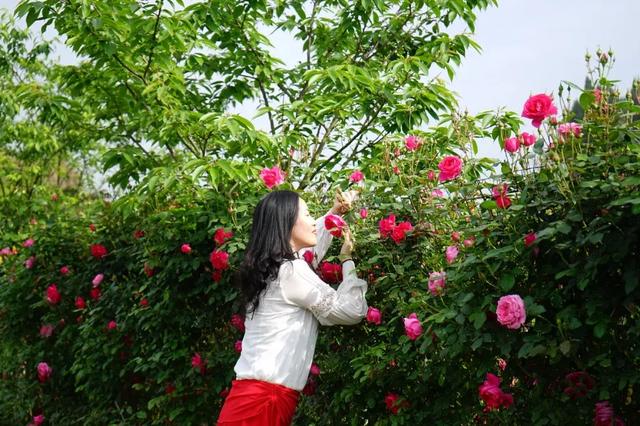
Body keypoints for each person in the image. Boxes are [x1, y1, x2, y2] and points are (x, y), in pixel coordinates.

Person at [216, 189, 368, 426]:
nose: (312, 221)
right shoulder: (291, 271)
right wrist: (347, 260)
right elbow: (352, 311)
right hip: (264, 403)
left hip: (255, 399)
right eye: (307, 214)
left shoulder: (276, 268)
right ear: (286, 221)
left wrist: (335, 213)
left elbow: (306, 254)